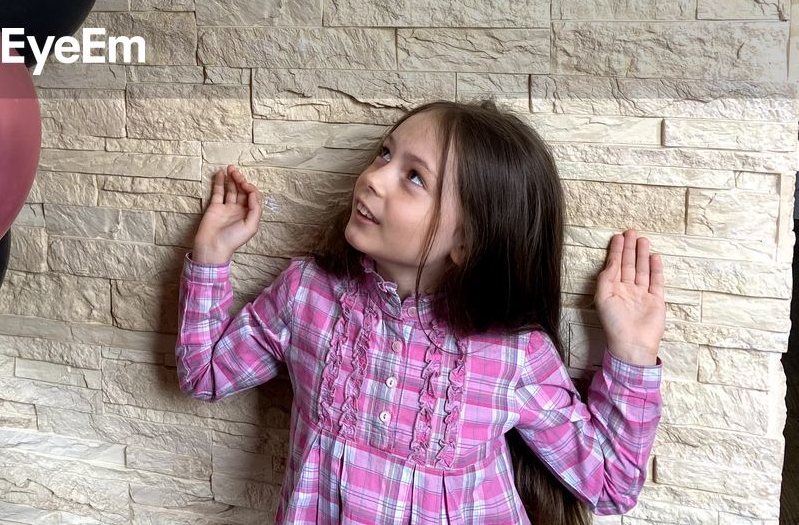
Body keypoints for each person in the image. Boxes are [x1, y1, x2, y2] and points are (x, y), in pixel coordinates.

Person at [176, 98, 665, 525]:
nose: (373, 178)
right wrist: (211, 259)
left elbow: (611, 486)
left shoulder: (511, 354)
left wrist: (633, 353)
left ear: (468, 241)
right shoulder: (308, 295)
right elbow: (204, 375)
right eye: (384, 154)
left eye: (414, 177)